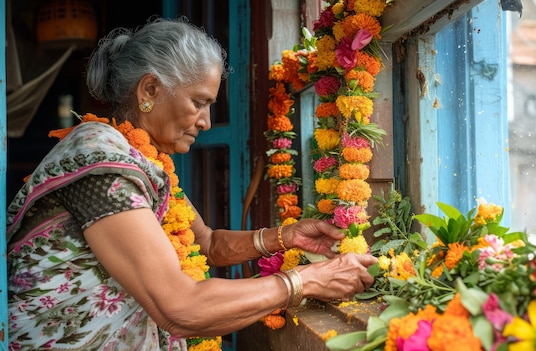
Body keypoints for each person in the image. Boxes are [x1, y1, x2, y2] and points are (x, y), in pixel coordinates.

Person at [6, 17, 377, 350]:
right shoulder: (103, 161)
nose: (205, 121)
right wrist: (307, 280)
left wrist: (287, 236)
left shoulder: (144, 161)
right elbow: (179, 308)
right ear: (149, 90)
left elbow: (208, 243)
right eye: (199, 102)